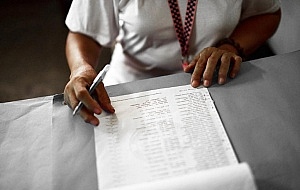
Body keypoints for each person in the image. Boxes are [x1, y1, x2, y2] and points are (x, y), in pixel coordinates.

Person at [63, 0, 281, 126]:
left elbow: (266, 14)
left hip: (211, 81)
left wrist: (230, 47)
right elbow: (84, 33)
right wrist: (81, 69)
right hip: (130, 88)